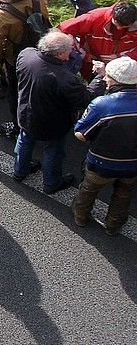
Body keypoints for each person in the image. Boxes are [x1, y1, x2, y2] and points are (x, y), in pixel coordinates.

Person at [14, 30, 91, 194]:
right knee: (53, 151)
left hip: (25, 113)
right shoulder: (65, 77)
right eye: (69, 49)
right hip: (52, 123)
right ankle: (51, 183)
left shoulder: (26, 55)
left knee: (25, 141)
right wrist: (99, 79)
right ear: (62, 54)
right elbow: (84, 99)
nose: (71, 51)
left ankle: (20, 171)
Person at [72, 56, 137, 235]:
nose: (105, 79)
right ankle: (113, 224)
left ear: (116, 81)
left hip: (101, 163)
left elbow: (81, 134)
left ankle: (81, 215)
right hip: (132, 166)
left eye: (107, 76)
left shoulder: (102, 104)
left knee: (88, 189)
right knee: (124, 194)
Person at [0, 0, 51, 140]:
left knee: (16, 93)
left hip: (16, 60)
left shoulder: (0, 15)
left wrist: (3, 58)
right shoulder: (40, 1)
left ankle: (17, 126)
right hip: (41, 54)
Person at [58, 2, 137, 80]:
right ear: (113, 15)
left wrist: (121, 57)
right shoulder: (95, 18)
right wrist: (83, 54)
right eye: (116, 24)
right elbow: (62, 30)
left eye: (125, 26)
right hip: (91, 64)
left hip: (126, 67)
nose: (119, 28)